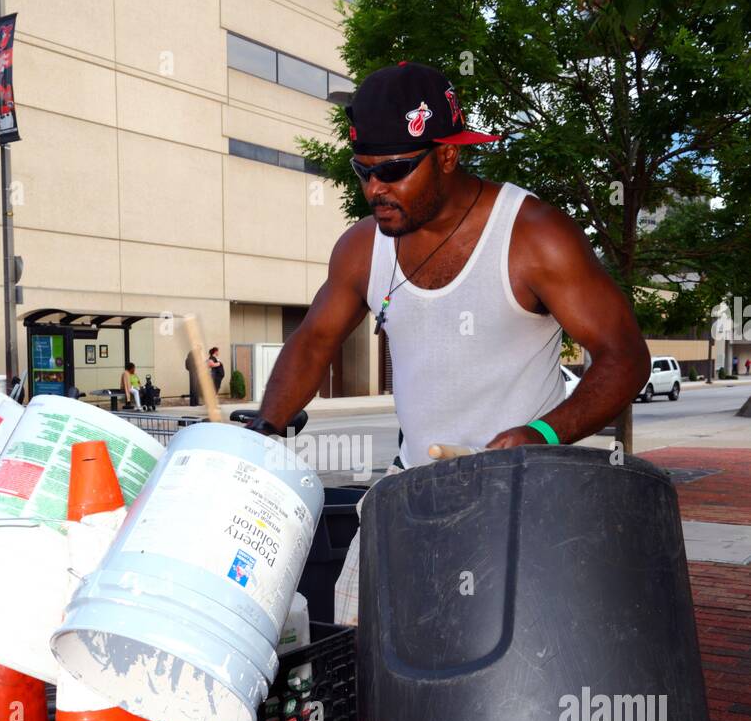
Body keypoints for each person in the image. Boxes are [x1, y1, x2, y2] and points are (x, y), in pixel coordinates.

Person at [243, 61, 651, 625]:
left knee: (503, 672)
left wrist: (543, 433)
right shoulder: (363, 249)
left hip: (519, 499)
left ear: (448, 155)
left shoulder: (533, 236)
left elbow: (626, 357)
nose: (374, 189)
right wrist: (265, 428)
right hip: (410, 491)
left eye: (393, 170)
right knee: (367, 664)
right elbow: (314, 342)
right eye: (363, 171)